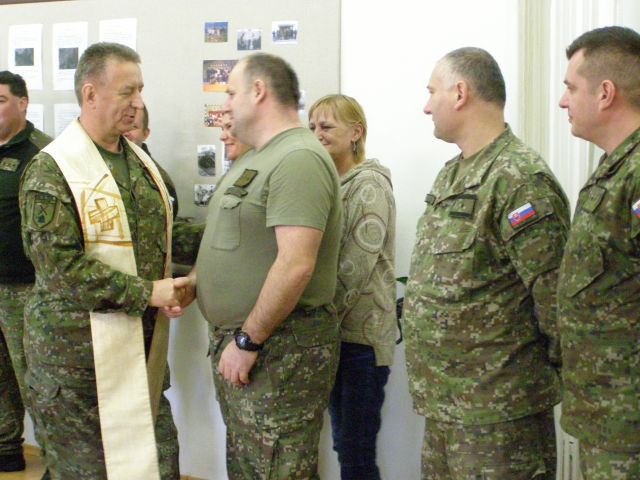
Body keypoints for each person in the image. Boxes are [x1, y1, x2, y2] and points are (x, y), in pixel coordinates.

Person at [167, 53, 343, 479]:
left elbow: (296, 264)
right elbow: (235, 240)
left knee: (276, 467)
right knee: (251, 465)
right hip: (253, 347)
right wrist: (199, 280)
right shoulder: (256, 157)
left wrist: (248, 341)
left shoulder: (298, 158)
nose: (225, 105)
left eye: (231, 93)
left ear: (259, 91)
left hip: (278, 349)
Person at [19, 42, 187, 479]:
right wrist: (149, 293)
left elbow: (164, 236)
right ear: (90, 94)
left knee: (157, 466)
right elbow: (62, 270)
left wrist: (231, 235)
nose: (138, 103)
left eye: (140, 90)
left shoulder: (140, 164)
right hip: (75, 366)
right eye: (127, 92)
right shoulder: (51, 170)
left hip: (141, 355)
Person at [403, 47, 570, 479]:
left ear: (460, 93)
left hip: (500, 417)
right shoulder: (452, 174)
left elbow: (556, 300)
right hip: (446, 408)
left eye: (432, 92)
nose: (426, 106)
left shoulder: (519, 179)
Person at [558, 26, 640, 479]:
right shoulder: (615, 167)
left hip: (629, 424)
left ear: (605, 93)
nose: (563, 101)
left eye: (571, 88)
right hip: (606, 417)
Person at [308, 94, 396, 480]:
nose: (317, 134)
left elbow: (353, 269)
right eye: (312, 127)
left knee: (355, 451)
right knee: (345, 444)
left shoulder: (369, 185)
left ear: (356, 133)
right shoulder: (333, 184)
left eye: (327, 126)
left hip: (361, 343)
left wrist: (311, 320)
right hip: (338, 338)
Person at [0, 71, 51, 473]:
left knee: (33, 379)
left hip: (25, 289)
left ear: (22, 103)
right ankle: (6, 448)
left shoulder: (43, 154)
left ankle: (56, 460)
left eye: (0, 100)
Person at [123, 104, 179, 217]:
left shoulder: (158, 179)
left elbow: (169, 218)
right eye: (121, 125)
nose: (125, 132)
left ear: (145, 134)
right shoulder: (97, 166)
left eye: (133, 127)